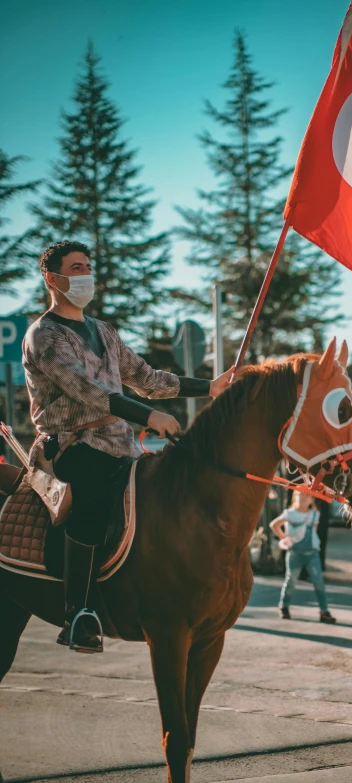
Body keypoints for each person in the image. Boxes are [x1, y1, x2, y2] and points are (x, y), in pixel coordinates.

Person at [23, 241, 233, 653]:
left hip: (122, 446)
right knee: (92, 503)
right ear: (52, 278)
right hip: (73, 447)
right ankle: (77, 613)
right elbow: (90, 391)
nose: (85, 275)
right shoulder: (43, 336)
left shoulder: (103, 331)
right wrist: (149, 417)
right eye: (76, 268)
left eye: (88, 267)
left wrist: (209, 387)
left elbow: (149, 378)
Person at [270, 492, 336, 623]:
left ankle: (324, 611)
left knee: (319, 583)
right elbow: (274, 525)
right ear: (295, 497)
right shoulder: (289, 513)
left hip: (312, 553)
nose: (304, 498)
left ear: (312, 500)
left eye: (307, 496)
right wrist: (284, 537)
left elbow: (314, 532)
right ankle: (284, 606)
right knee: (291, 581)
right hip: (295, 553)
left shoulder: (314, 515)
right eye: (301, 495)